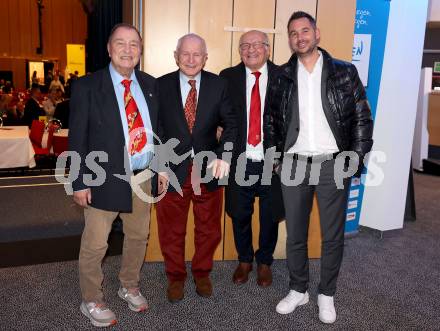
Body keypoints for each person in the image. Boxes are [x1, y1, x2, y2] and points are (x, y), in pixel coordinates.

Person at [265, 11, 373, 323]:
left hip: (333, 164)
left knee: (332, 236)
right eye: (294, 33)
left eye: (305, 30)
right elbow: (270, 122)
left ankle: (326, 294)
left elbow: (362, 119)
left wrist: (356, 157)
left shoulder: (344, 72)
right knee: (295, 234)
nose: (300, 37)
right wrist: (276, 159)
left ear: (317, 34)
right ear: (289, 39)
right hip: (294, 165)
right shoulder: (281, 76)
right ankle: (299, 290)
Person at [69, 23, 159, 327]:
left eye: (134, 44)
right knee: (96, 243)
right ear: (109, 49)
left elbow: (156, 133)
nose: (127, 49)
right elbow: (77, 137)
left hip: (142, 176)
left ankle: (128, 285)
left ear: (140, 50)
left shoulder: (150, 85)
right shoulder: (87, 86)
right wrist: (78, 180)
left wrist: (158, 168)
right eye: (120, 43)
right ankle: (91, 298)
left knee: (138, 236)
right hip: (102, 176)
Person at [156, 33, 237, 302]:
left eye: (197, 54)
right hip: (171, 171)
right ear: (176, 55)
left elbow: (231, 124)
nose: (191, 60)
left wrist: (224, 156)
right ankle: (175, 277)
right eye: (185, 54)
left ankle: (202, 272)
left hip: (208, 169)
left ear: (205, 58)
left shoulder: (219, 85)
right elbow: (154, 130)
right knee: (171, 229)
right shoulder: (160, 85)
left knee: (209, 228)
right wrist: (160, 166)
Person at [219, 30, 283, 287]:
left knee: (270, 215)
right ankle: (244, 259)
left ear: (267, 48)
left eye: (257, 44)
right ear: (239, 51)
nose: (251, 49)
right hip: (239, 161)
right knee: (239, 213)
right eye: (245, 45)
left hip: (273, 161)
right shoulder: (227, 77)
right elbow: (219, 111)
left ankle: (264, 261)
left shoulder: (284, 76)